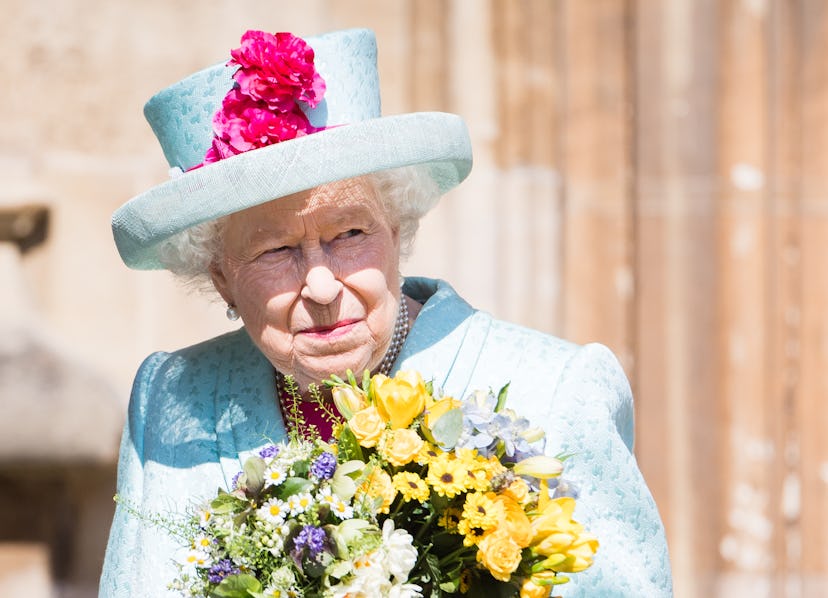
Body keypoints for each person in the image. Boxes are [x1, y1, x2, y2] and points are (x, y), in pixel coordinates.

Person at [100, 28, 672, 597]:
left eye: (350, 233)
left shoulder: (559, 389)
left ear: (396, 233)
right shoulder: (169, 398)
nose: (321, 285)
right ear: (221, 276)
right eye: (276, 251)